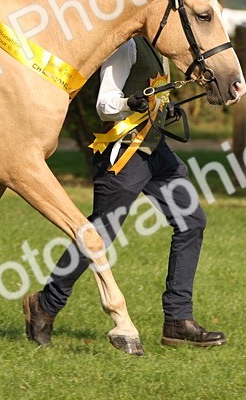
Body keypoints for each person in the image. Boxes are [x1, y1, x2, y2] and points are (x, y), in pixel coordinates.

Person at [22, 36, 226, 349]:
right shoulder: (126, 46)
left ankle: (177, 320)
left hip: (156, 150)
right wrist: (130, 103)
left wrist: (163, 109)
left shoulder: (161, 48)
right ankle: (45, 305)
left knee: (192, 222)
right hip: (122, 155)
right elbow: (105, 105)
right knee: (98, 234)